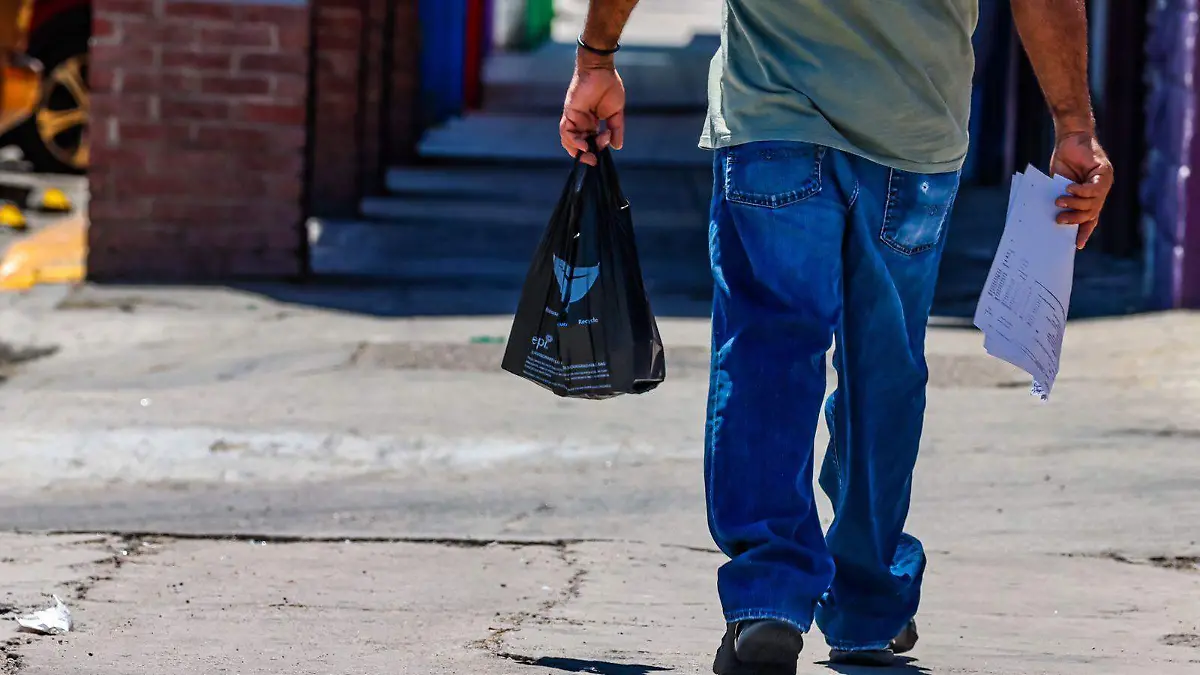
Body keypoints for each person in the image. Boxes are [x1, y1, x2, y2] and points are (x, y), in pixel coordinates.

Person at [560, 1, 1114, 671]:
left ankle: (769, 596)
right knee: (885, 369)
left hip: (772, 120)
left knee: (769, 349)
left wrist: (597, 57)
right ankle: (868, 602)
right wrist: (1074, 124)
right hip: (912, 132)